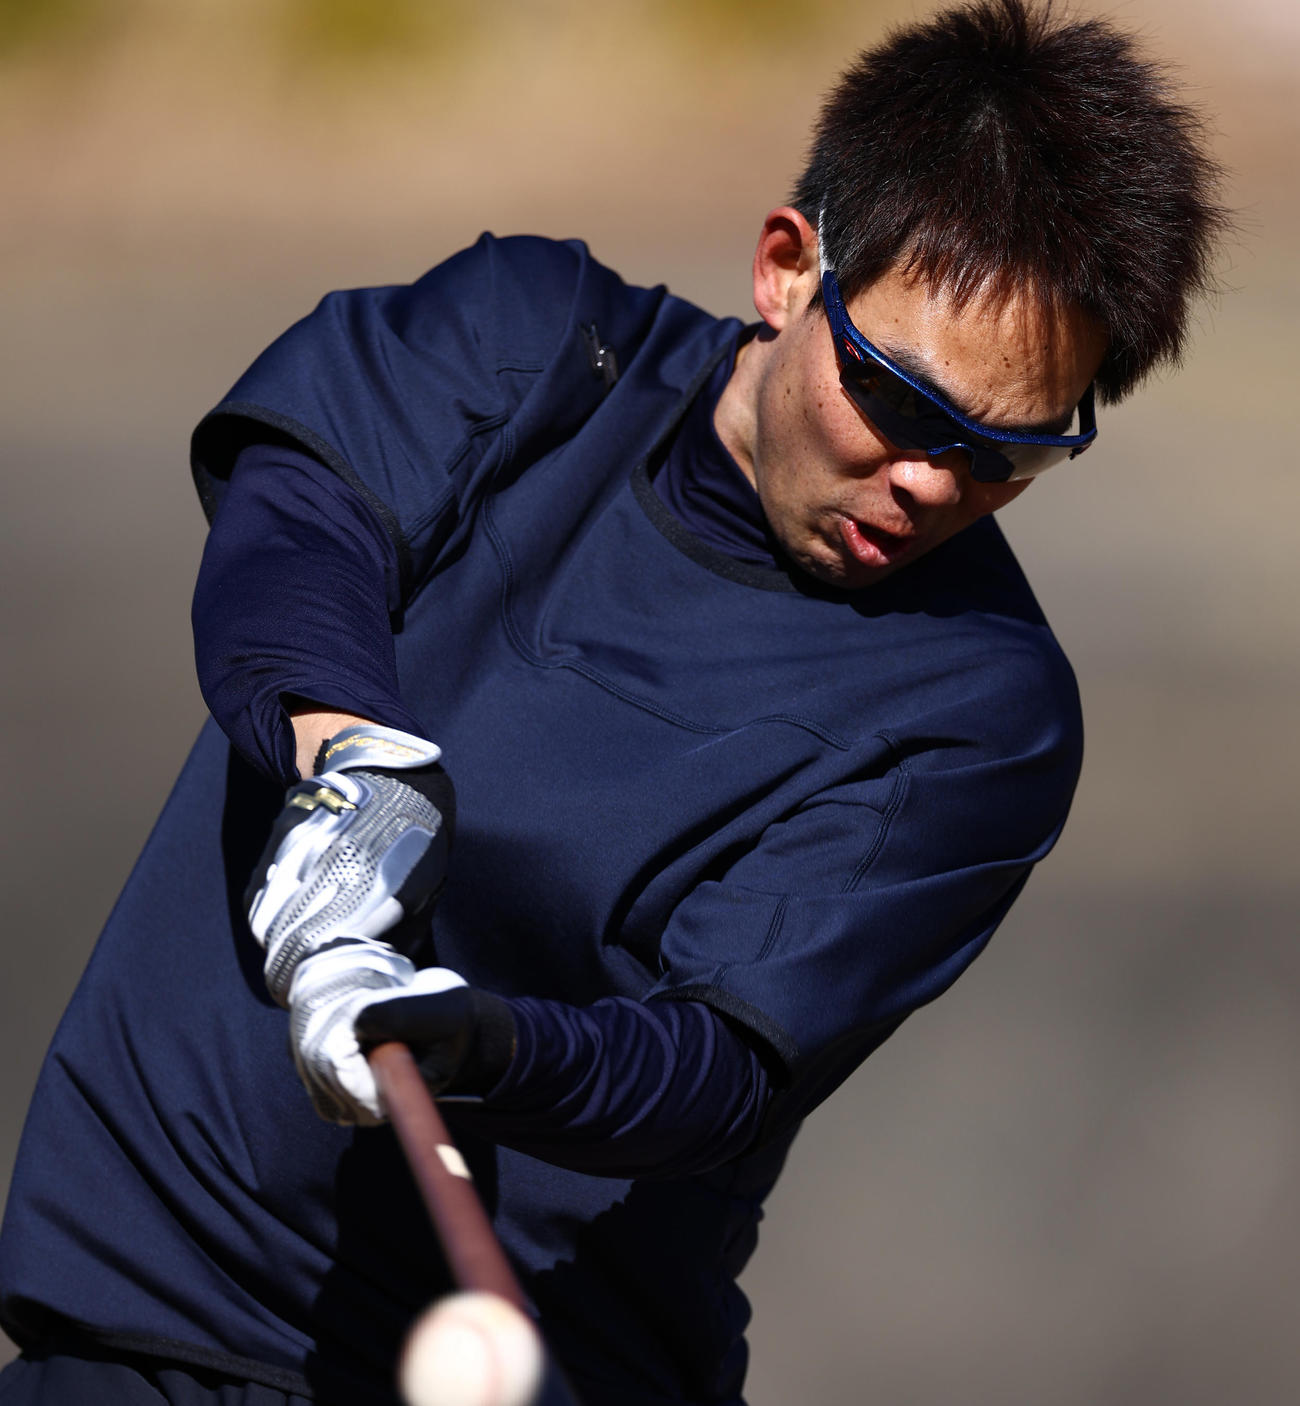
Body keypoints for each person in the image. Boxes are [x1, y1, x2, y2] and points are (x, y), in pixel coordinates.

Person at [0, 2, 1225, 1403]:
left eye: (1006, 453)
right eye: (899, 401)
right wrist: (355, 769)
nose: (934, 481)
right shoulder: (532, 342)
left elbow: (717, 1068)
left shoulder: (982, 709)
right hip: (133, 1306)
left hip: (541, 1366)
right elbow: (298, 523)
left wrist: (478, 1039)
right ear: (786, 268)